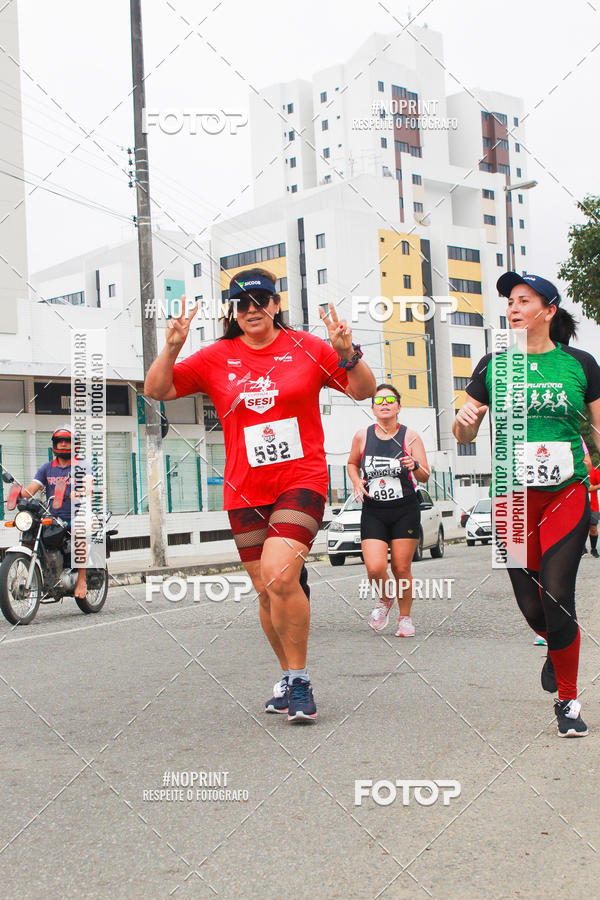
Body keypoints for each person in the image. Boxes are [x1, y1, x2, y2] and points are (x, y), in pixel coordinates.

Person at [144, 268, 376, 723]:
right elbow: (156, 390)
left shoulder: (307, 348)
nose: (252, 309)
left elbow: (364, 391)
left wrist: (347, 352)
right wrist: (173, 345)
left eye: (261, 300)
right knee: (267, 591)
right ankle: (288, 679)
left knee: (279, 574)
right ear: (233, 310)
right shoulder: (216, 356)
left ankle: (302, 679)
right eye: (242, 303)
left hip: (301, 479)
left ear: (275, 304)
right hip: (244, 488)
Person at [453, 272, 600, 738]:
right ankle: (555, 647)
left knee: (558, 594)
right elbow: (465, 434)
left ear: (549, 310)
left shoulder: (580, 364)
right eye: (510, 301)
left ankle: (568, 701)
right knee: (531, 604)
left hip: (566, 490)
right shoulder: (494, 365)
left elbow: (597, 434)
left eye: (524, 300)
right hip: (512, 499)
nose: (513, 308)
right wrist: (465, 421)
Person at [347, 384, 430, 636]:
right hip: (374, 510)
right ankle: (385, 598)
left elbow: (425, 475)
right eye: (379, 400)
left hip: (404, 508)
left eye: (390, 399)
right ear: (372, 408)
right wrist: (356, 480)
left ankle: (405, 619)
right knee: (374, 567)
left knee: (401, 568)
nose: (384, 403)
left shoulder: (411, 436)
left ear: (398, 406)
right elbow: (352, 463)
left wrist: (414, 464)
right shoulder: (362, 436)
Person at [22, 426, 93, 601]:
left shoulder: (82, 465)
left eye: (66, 441)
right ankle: (45, 574)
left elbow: (89, 485)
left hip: (78, 514)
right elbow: (31, 489)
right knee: (30, 530)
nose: (62, 444)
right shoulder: (46, 468)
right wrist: (18, 494)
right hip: (53, 516)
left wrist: (80, 491)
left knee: (78, 530)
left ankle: (82, 579)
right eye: (59, 441)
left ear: (75, 444)